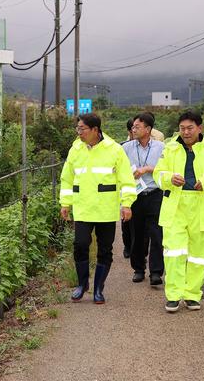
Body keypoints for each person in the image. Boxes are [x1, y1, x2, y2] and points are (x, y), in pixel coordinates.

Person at [153, 110, 204, 312]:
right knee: (173, 253)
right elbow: (158, 174)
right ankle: (173, 295)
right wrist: (170, 178)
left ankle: (192, 295)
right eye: (182, 128)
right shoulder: (169, 149)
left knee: (198, 255)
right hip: (176, 207)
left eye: (190, 128)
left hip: (201, 207)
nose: (186, 132)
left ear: (200, 128)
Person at [60, 113, 137, 304]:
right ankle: (82, 284)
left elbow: (126, 179)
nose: (79, 133)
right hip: (83, 207)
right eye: (77, 129)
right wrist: (65, 203)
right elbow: (67, 178)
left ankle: (98, 289)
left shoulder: (114, 150)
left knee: (105, 249)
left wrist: (126, 203)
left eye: (82, 129)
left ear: (95, 130)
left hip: (105, 209)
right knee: (80, 245)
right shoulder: (76, 148)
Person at [123, 112, 165, 286]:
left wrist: (148, 168)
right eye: (133, 127)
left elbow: (167, 168)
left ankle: (156, 272)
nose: (133, 129)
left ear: (148, 129)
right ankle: (138, 269)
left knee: (157, 234)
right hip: (136, 195)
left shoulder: (161, 147)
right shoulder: (126, 148)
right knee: (137, 234)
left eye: (137, 127)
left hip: (155, 194)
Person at [120, 118, 135, 259]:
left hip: (144, 189)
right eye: (133, 129)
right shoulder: (122, 147)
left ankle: (137, 249)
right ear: (129, 131)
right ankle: (127, 245)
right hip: (126, 188)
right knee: (126, 221)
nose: (135, 131)